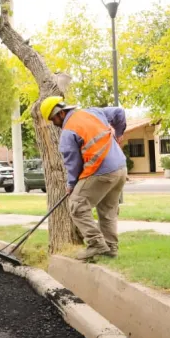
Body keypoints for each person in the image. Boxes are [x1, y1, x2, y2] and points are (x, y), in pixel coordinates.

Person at [40, 96, 128, 261]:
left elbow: (73, 165)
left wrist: (71, 185)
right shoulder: (92, 112)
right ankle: (110, 248)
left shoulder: (68, 133)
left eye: (53, 120)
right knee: (107, 210)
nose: (54, 124)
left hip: (101, 171)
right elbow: (119, 112)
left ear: (59, 113)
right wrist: (119, 133)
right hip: (121, 169)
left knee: (76, 205)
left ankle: (96, 243)